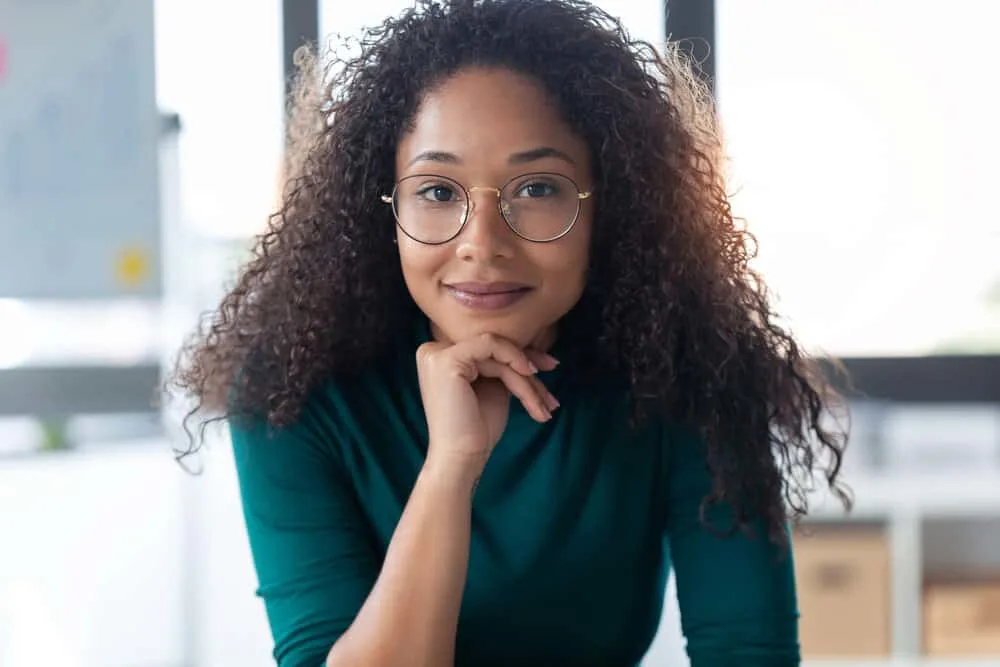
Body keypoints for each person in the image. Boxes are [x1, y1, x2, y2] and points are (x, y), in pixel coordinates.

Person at [170, 1, 851, 665]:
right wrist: (451, 466)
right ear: (384, 207)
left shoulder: (693, 371)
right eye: (437, 191)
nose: (482, 243)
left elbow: (747, 651)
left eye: (537, 188)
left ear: (608, 204)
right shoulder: (293, 388)